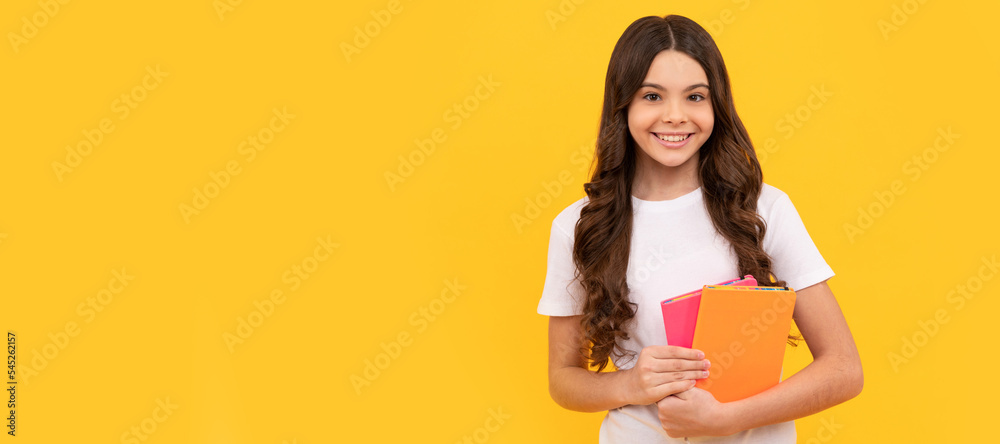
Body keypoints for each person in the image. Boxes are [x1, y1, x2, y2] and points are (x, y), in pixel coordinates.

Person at [536, 14, 863, 443]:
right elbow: (563, 379)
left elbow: (843, 369)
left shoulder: (764, 208)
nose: (675, 116)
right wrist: (629, 384)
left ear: (716, 106)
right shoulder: (578, 226)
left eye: (695, 96)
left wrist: (729, 418)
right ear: (624, 105)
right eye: (652, 96)